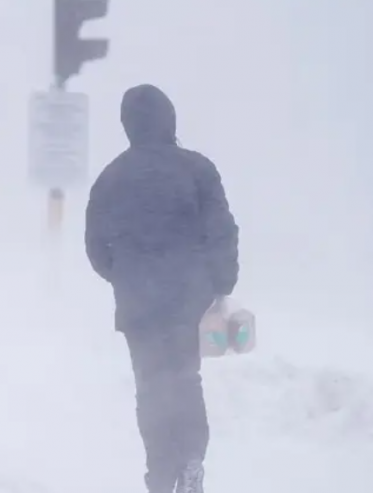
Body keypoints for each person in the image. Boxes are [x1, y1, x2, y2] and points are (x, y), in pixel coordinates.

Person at [84, 84, 239, 493]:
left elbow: (96, 247)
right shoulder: (197, 169)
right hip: (189, 299)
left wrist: (124, 277)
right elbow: (221, 231)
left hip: (138, 304)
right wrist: (221, 282)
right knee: (186, 378)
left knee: (150, 386)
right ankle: (191, 461)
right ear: (170, 119)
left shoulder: (109, 179)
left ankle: (159, 475)